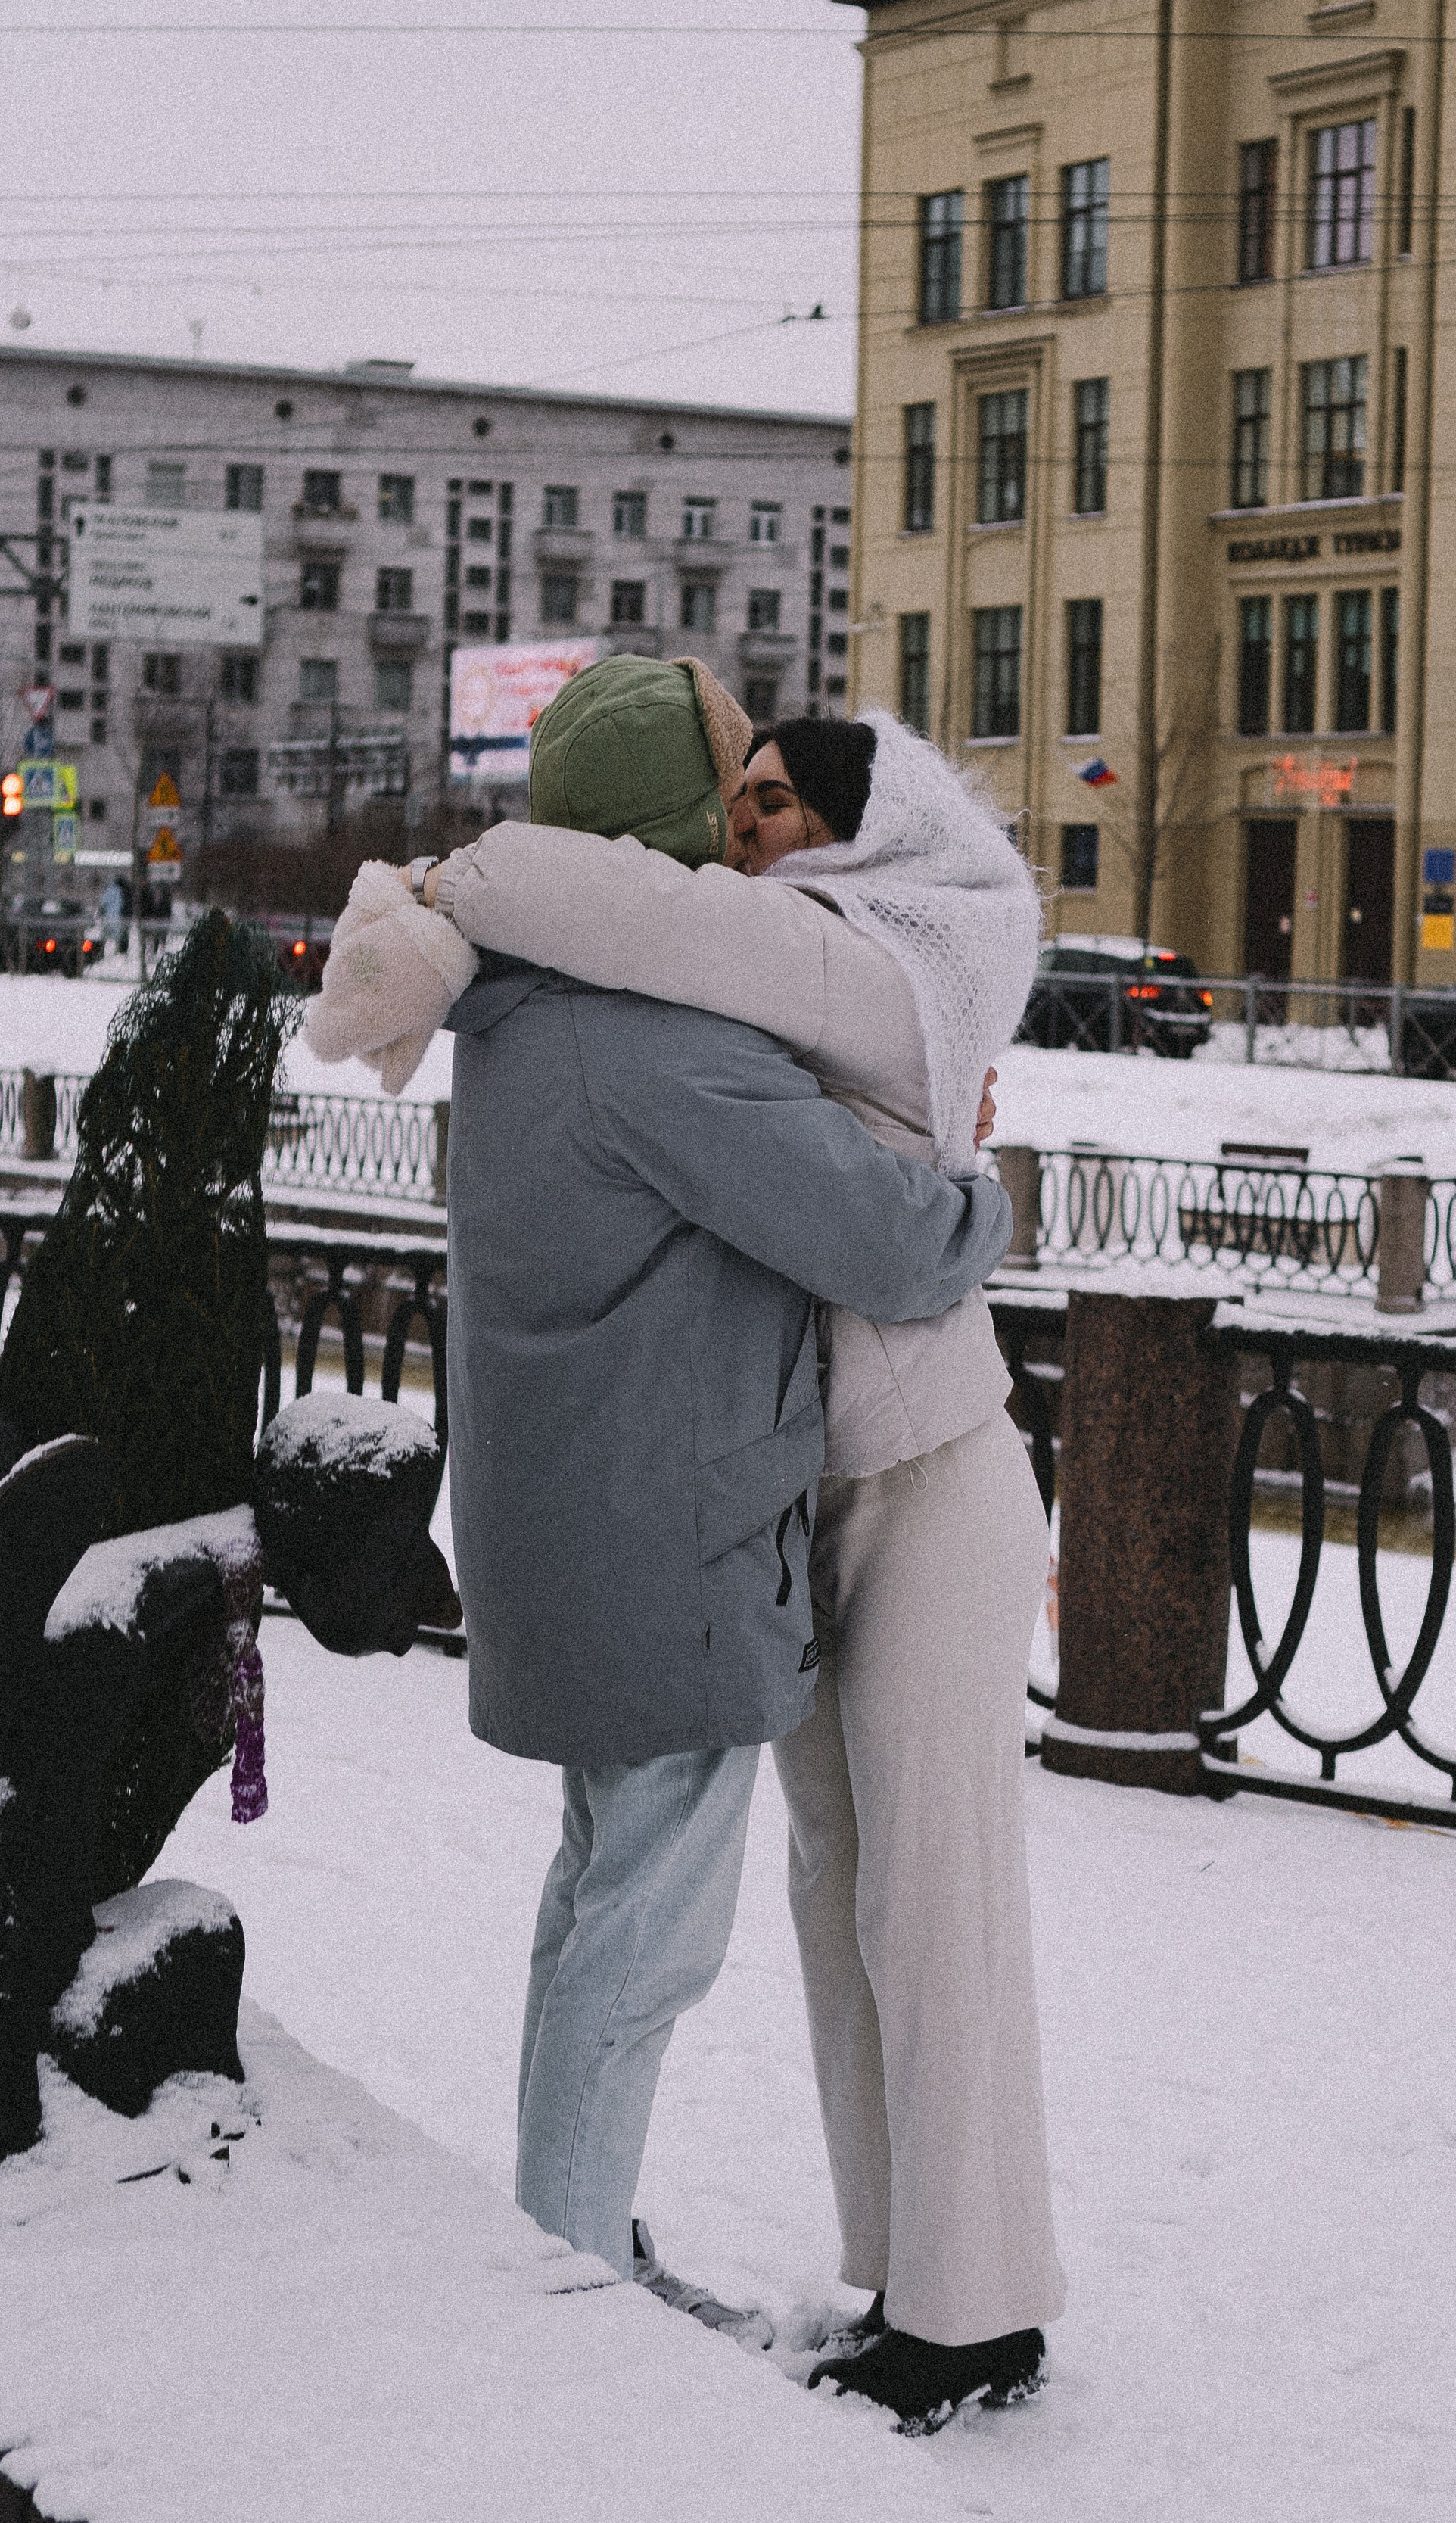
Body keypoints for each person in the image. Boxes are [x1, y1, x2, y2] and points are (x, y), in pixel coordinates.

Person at [315, 659, 1016, 2325]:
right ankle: (562, 2279)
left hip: (580, 1529)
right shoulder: (652, 1049)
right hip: (668, 1547)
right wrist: (982, 1177)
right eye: (726, 793)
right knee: (642, 1945)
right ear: (673, 820)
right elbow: (892, 1244)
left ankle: (575, 2241)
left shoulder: (522, 1006)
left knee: (594, 1908)